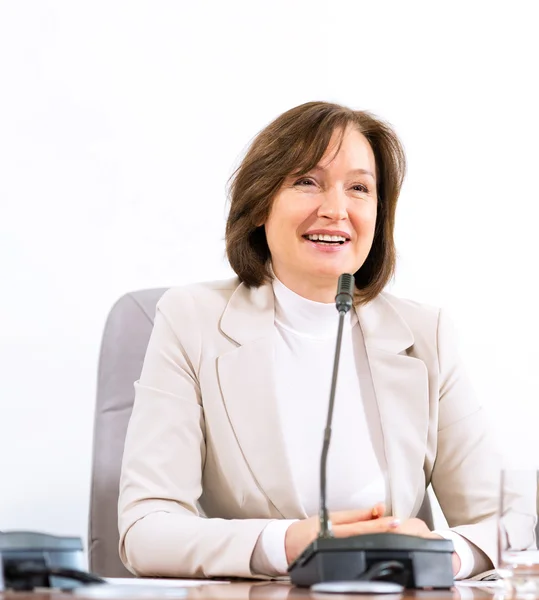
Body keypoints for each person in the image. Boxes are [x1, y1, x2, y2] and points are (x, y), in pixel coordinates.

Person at [118, 101, 500, 580]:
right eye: (307, 182)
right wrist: (285, 543)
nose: (335, 209)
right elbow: (145, 530)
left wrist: (441, 553)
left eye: (359, 188)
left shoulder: (426, 335)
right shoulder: (191, 321)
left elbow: (505, 522)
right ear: (260, 204)